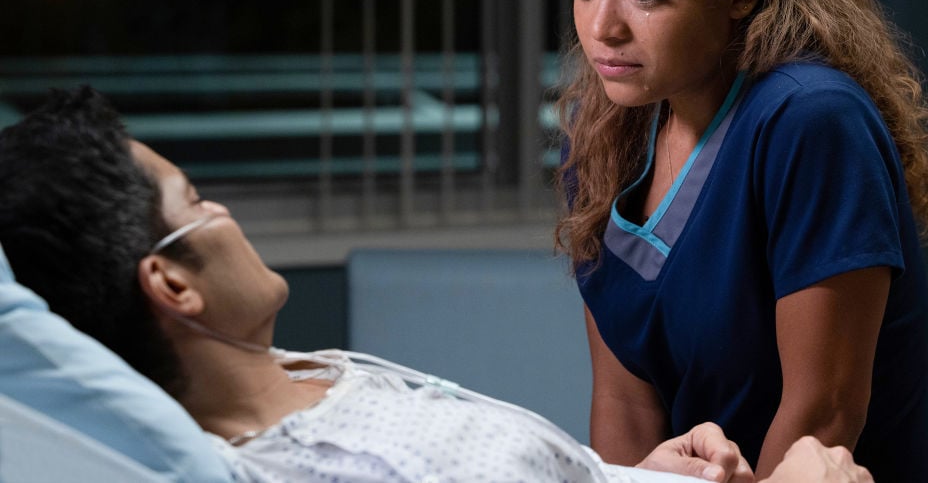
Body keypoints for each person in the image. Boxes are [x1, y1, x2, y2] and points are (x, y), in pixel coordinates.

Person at [0, 86, 767, 483]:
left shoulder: (310, 376)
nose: (225, 210)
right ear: (172, 283)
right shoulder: (333, 463)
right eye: (196, 201)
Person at [555, 0, 928, 482]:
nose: (603, 28)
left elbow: (821, 417)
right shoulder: (606, 134)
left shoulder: (812, 123)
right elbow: (624, 402)